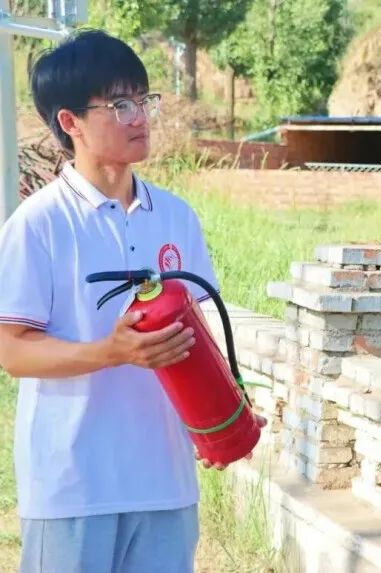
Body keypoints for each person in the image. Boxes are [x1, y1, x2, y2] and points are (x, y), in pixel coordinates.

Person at [0, 30, 261, 573]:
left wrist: (221, 416)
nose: (139, 116)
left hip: (165, 483)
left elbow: (197, 334)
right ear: (70, 122)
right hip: (73, 487)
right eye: (119, 105)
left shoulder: (176, 217)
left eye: (143, 100)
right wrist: (111, 352)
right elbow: (13, 351)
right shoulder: (39, 224)